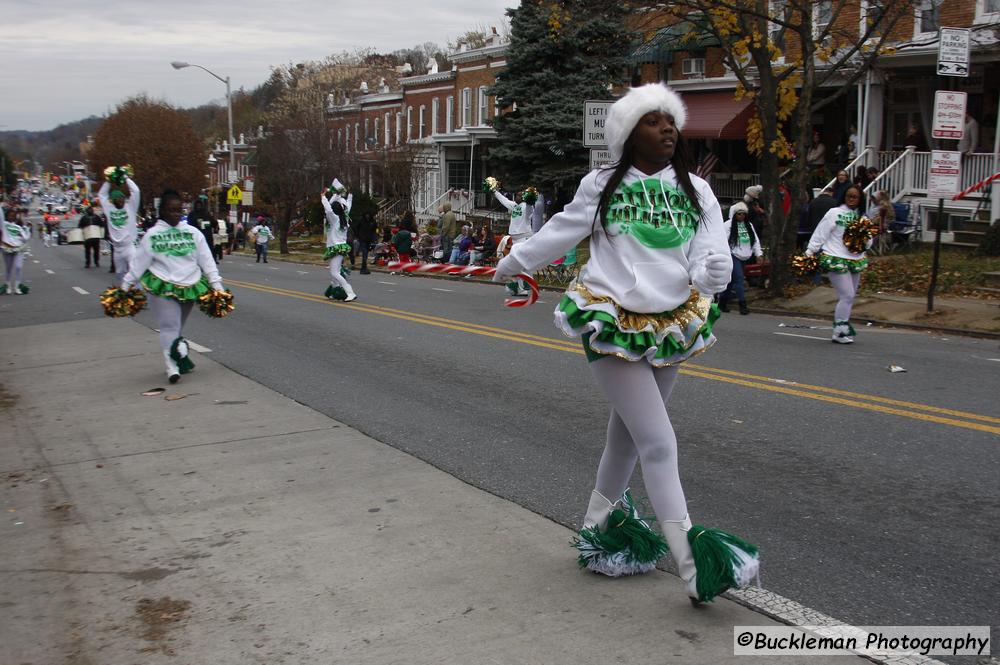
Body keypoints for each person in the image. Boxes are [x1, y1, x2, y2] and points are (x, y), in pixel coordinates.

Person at [492, 83, 758, 604]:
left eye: (669, 121)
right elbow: (562, 231)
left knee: (628, 440)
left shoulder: (697, 190)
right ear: (628, 133)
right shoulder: (602, 185)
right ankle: (693, 564)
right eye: (652, 121)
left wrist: (715, 271)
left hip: (671, 323)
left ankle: (598, 531)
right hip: (610, 318)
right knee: (659, 442)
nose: (666, 129)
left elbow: (707, 257)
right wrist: (513, 262)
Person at [121, 189, 224, 382]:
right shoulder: (152, 235)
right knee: (170, 326)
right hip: (162, 285)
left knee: (177, 329)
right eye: (171, 210)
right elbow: (138, 264)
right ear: (163, 211)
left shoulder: (193, 232)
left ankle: (179, 354)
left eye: (179, 210)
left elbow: (207, 260)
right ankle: (172, 367)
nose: (176, 214)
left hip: (190, 285)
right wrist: (125, 287)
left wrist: (216, 285)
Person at [805, 184, 871, 344]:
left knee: (849, 297)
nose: (851, 199)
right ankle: (839, 330)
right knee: (847, 294)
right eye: (849, 196)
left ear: (860, 199)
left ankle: (841, 329)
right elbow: (821, 232)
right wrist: (810, 251)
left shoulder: (862, 218)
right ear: (844, 196)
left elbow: (869, 242)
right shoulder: (834, 213)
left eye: (855, 197)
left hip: (855, 259)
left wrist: (862, 240)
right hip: (835, 257)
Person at [720, 202, 763, 315]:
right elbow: (722, 241)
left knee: (732, 281)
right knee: (739, 278)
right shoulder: (727, 225)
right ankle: (742, 305)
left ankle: (722, 302)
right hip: (732, 255)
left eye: (743, 214)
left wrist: (758, 254)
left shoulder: (749, 225)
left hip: (745, 255)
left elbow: (755, 240)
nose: (741, 216)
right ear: (734, 214)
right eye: (739, 214)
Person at [494, 188, 538, 295]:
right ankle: (519, 286)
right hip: (515, 240)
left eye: (519, 195)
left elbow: (530, 208)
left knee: (520, 263)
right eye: (516, 195)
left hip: (524, 239)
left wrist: (530, 199)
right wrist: (494, 191)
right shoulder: (514, 206)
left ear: (523, 197)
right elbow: (504, 200)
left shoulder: (528, 207)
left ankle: (523, 288)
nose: (517, 197)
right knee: (519, 263)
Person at [97, 175, 141, 280]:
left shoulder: (130, 207)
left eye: (122, 198)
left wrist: (126, 179)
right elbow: (102, 194)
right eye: (117, 199)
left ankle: (137, 292)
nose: (120, 200)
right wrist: (108, 181)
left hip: (129, 246)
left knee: (134, 271)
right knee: (120, 274)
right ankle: (125, 292)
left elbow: (136, 191)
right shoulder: (109, 208)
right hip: (117, 249)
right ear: (113, 200)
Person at [320, 189, 357, 302]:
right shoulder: (344, 218)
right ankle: (334, 291)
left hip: (337, 248)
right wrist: (346, 196)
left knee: (334, 272)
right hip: (337, 247)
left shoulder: (335, 219)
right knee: (334, 270)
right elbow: (348, 205)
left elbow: (328, 210)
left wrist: (323, 197)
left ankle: (350, 292)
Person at [1, 206, 31, 295]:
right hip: (7, 249)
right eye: (10, 216)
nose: (11, 217)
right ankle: (8, 286)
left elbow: (26, 238)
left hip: (18, 249)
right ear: (7, 216)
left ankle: (17, 287)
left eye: (13, 216)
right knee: (8, 269)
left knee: (18, 267)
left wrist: (25, 231)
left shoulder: (18, 227)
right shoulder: (3, 225)